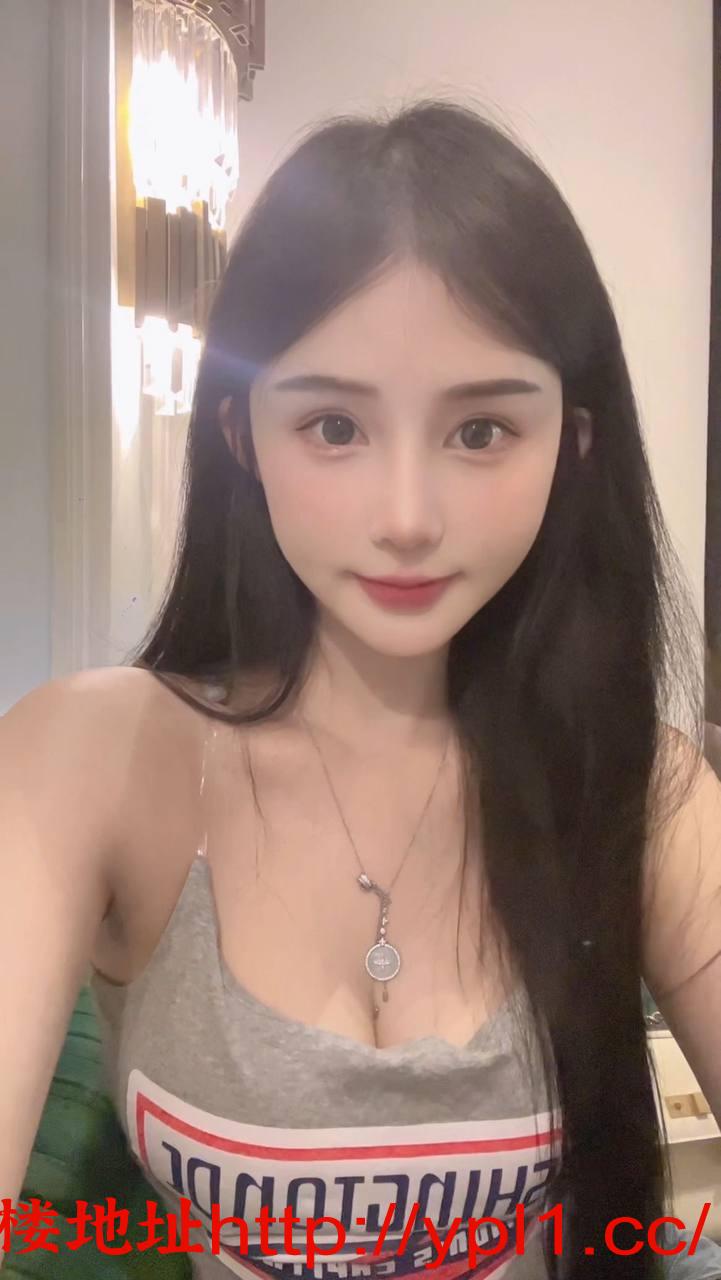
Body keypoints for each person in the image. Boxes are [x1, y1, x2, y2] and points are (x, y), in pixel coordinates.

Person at [1, 99, 720, 1280]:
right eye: (334, 424)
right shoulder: (89, 760)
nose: (406, 515)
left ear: (573, 445)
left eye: (480, 430)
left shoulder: (641, 787)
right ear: (242, 434)